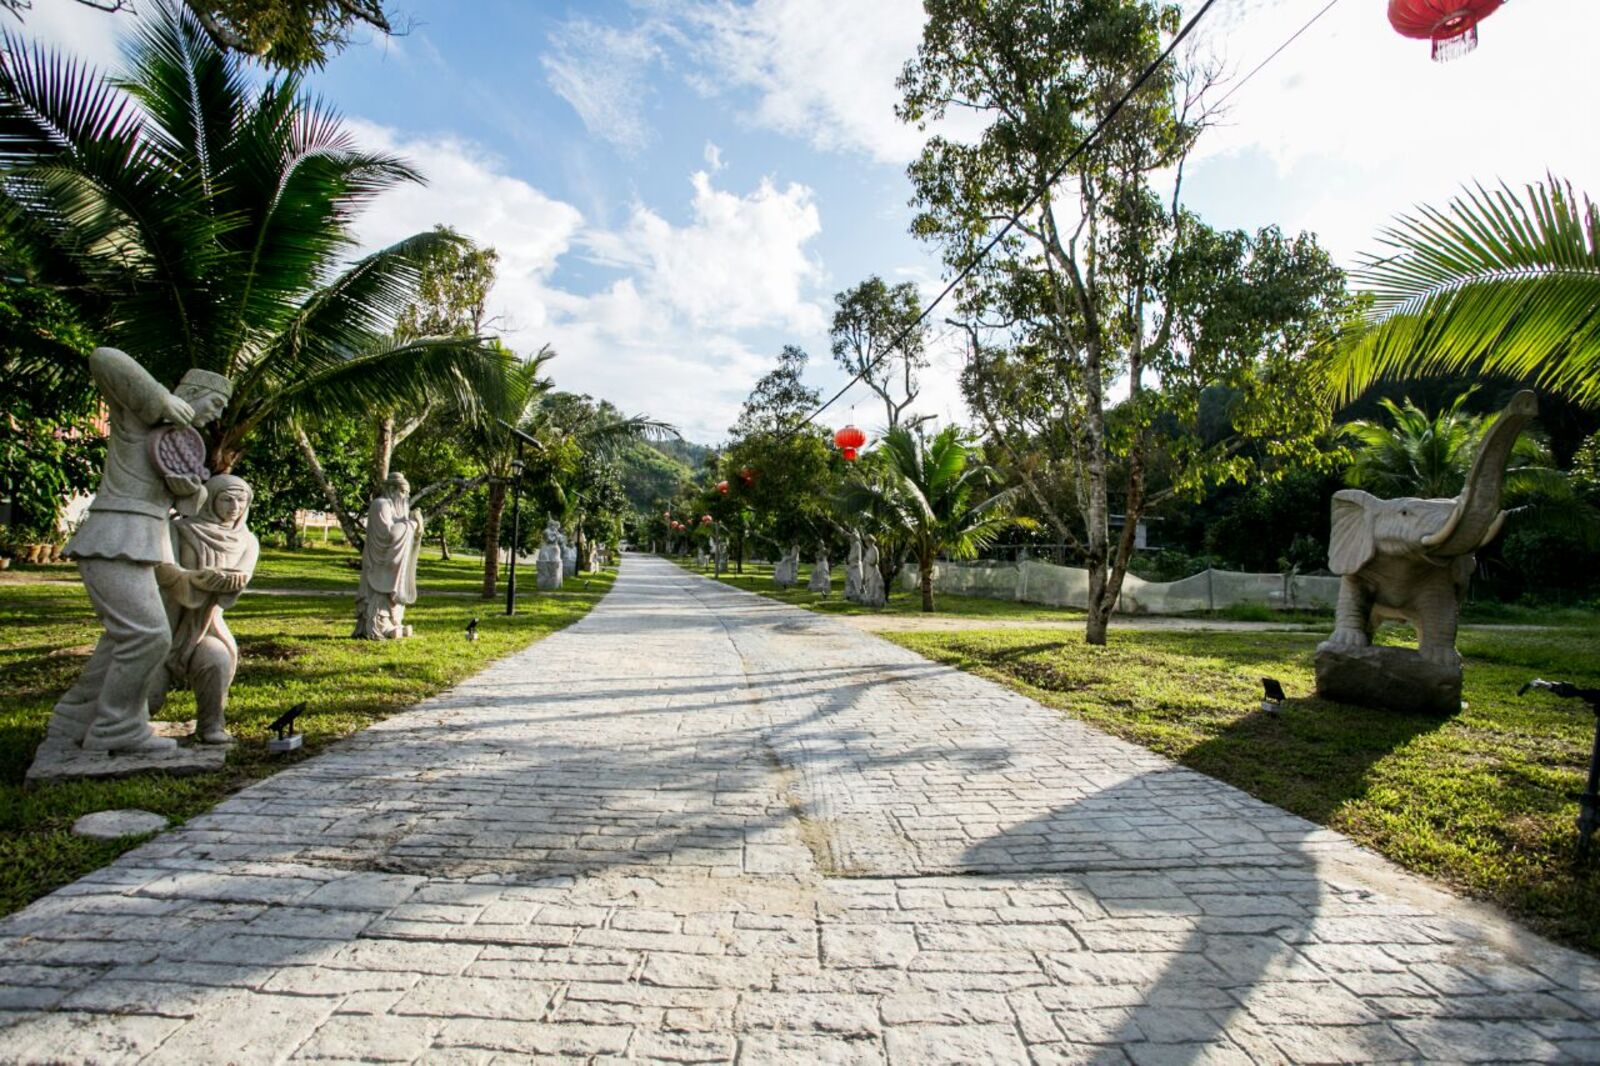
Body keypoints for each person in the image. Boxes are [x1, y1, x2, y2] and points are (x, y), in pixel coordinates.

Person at [45, 348, 232, 754]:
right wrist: (161, 399)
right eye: (214, 402)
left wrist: (193, 491)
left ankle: (72, 720)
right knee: (147, 636)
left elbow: (189, 501)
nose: (214, 415)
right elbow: (104, 357)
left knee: (121, 640)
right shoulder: (138, 417)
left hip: (143, 541)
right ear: (192, 393)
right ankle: (116, 729)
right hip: (114, 537)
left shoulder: (185, 442)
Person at [150, 475, 259, 744]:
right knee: (149, 696)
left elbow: (240, 576)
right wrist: (194, 579)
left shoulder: (247, 541)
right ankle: (120, 726)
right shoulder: (179, 530)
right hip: (166, 621)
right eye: (227, 499)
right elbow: (162, 570)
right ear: (210, 500)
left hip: (207, 623)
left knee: (216, 659)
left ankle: (211, 725)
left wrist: (231, 581)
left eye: (241, 500)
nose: (234, 506)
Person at [353, 473, 423, 639]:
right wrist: (412, 524)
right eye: (402, 491)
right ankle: (379, 626)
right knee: (379, 593)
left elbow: (404, 533)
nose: (405, 496)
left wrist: (417, 526)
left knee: (395, 593)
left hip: (395, 565)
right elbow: (389, 535)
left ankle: (394, 622)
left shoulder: (401, 509)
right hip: (379, 563)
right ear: (391, 489)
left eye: (407, 493)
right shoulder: (380, 505)